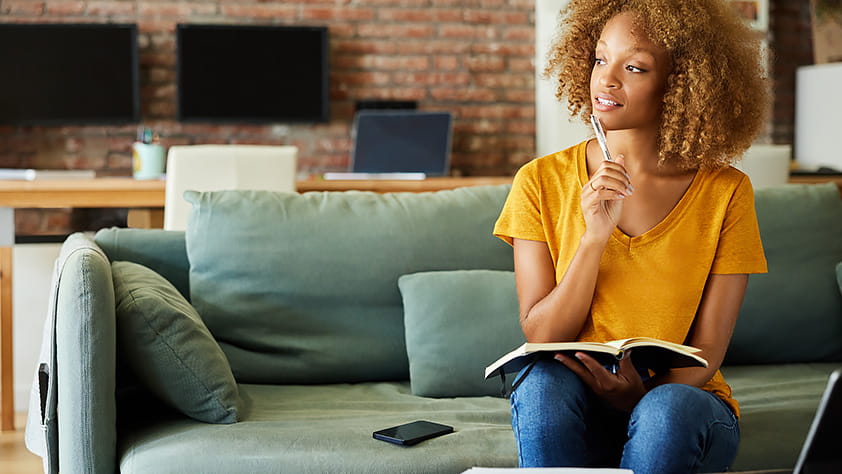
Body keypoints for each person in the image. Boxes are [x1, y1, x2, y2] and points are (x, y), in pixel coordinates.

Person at [493, 0, 770, 472]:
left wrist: (640, 395)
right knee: (540, 381)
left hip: (681, 402)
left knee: (666, 410)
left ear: (681, 84)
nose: (606, 79)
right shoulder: (539, 181)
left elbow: (706, 351)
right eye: (601, 59)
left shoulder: (727, 192)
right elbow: (541, 334)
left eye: (635, 67)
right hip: (575, 400)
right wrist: (593, 238)